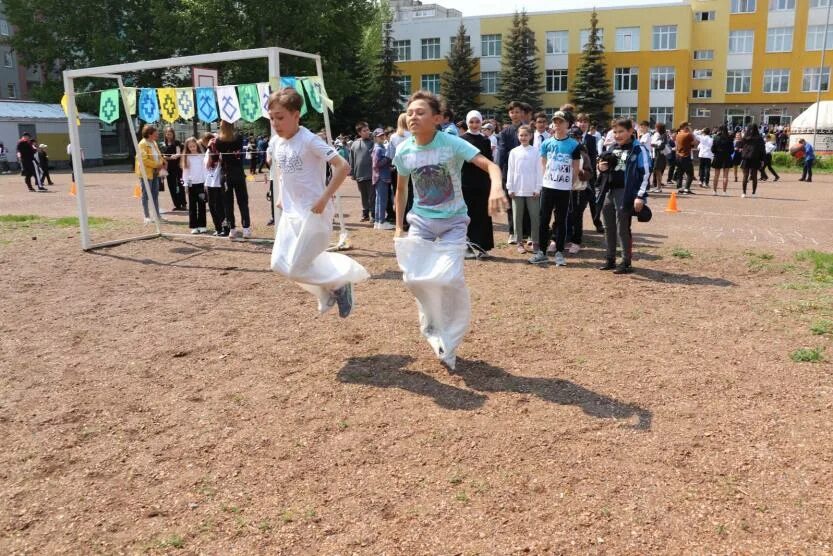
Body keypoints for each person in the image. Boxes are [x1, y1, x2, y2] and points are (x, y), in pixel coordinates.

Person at [392, 90, 507, 368]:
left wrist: (496, 186)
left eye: (420, 112)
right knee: (414, 279)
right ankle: (432, 327)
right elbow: (400, 190)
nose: (413, 117)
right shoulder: (404, 150)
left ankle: (450, 342)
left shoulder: (452, 143)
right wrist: (398, 228)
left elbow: (490, 166)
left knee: (448, 279)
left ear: (437, 119)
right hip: (420, 222)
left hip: (454, 222)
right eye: (410, 112)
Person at [267, 87, 368, 317]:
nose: (275, 123)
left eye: (280, 117)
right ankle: (329, 290)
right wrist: (283, 196)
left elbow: (343, 167)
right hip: (291, 213)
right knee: (279, 264)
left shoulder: (310, 140)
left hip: (314, 213)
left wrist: (324, 198)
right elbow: (283, 171)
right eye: (272, 118)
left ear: (296, 115)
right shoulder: (276, 143)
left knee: (297, 267)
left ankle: (339, 284)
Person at [595, 118, 650, 274]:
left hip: (625, 193)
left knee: (623, 228)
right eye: (615, 132)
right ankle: (610, 259)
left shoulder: (639, 149)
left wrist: (640, 196)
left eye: (621, 131)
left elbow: (645, 173)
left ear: (631, 131)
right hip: (609, 192)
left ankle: (626, 262)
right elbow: (604, 168)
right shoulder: (612, 148)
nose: (618, 135)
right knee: (608, 227)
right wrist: (601, 167)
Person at [528, 110, 581, 267]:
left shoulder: (574, 145)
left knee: (561, 220)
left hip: (564, 189)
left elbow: (576, 168)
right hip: (548, 187)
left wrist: (570, 184)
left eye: (561, 122)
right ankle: (542, 252)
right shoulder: (546, 143)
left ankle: (559, 252)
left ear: (568, 124)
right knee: (544, 219)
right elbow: (543, 164)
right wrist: (545, 181)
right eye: (555, 122)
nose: (558, 124)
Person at [460, 110, 495, 259]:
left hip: (482, 182)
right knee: (467, 215)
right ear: (467, 122)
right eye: (471, 122)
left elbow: (489, 161)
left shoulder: (485, 140)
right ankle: (466, 247)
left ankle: (482, 247)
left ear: (481, 123)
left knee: (482, 214)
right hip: (466, 182)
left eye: (477, 122)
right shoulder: (461, 139)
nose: (474, 125)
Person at [506, 125, 541, 254]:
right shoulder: (514, 152)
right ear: (518, 136)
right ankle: (519, 242)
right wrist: (510, 187)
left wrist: (538, 188)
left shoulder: (536, 151)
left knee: (535, 216)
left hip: (532, 190)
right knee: (517, 217)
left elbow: (539, 171)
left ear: (531, 136)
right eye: (521, 135)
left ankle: (535, 241)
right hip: (517, 189)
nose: (523, 137)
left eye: (526, 135)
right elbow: (511, 170)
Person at [497, 101, 527, 243]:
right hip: (509, 172)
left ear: (522, 113)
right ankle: (512, 232)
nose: (515, 114)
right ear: (509, 114)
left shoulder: (528, 129)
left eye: (517, 111)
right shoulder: (505, 132)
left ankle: (526, 232)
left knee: (526, 201)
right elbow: (502, 152)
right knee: (510, 203)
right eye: (512, 112)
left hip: (526, 172)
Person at [215, 121, 251, 238]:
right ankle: (246, 229)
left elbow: (218, 152)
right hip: (238, 173)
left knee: (227, 204)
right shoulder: (238, 138)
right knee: (243, 201)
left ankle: (232, 229)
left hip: (225, 174)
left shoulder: (218, 141)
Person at [135, 124, 165, 223]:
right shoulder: (142, 144)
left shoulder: (154, 143)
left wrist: (162, 162)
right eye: (155, 134)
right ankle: (146, 216)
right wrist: (157, 165)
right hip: (146, 173)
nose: (157, 135)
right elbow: (143, 160)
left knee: (155, 194)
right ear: (149, 134)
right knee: (145, 195)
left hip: (155, 173)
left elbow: (159, 155)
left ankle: (157, 215)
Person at [181, 137, 208, 234]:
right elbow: (185, 172)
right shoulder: (186, 157)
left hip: (201, 184)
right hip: (191, 185)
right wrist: (185, 185)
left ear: (197, 145)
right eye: (190, 146)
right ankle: (194, 226)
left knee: (201, 205)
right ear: (187, 147)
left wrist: (206, 182)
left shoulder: (202, 156)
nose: (192, 148)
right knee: (192, 206)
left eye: (194, 146)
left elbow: (205, 170)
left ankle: (202, 225)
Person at [349, 121, 375, 222]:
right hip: (359, 174)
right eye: (364, 131)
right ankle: (365, 214)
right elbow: (352, 159)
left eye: (368, 129)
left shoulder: (373, 143)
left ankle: (373, 214)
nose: (367, 132)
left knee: (372, 195)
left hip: (371, 174)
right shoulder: (354, 144)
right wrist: (352, 172)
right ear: (359, 133)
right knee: (363, 195)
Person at [203, 133, 227, 236]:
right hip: (209, 182)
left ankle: (225, 228)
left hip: (219, 182)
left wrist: (219, 152)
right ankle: (217, 228)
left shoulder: (223, 151)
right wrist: (210, 151)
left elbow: (223, 163)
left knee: (221, 206)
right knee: (212, 206)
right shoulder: (208, 151)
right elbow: (207, 166)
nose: (214, 142)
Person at [371, 128, 394, 230]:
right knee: (382, 200)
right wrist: (388, 158)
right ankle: (381, 221)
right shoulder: (379, 148)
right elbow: (376, 164)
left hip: (381, 176)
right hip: (381, 177)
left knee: (379, 200)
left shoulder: (379, 147)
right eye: (380, 136)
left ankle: (378, 221)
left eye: (383, 135)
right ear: (375, 137)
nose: (382, 137)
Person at [162, 127, 186, 211]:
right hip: (169, 168)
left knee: (180, 184)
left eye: (170, 134)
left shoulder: (177, 143)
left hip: (177, 168)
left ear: (173, 134)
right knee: (171, 186)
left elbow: (179, 153)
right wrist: (166, 158)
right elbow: (162, 155)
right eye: (167, 134)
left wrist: (174, 156)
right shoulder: (163, 144)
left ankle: (183, 203)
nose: (168, 135)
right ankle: (176, 204)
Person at [739, 123, 765, 198]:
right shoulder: (759, 138)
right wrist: (762, 159)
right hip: (755, 158)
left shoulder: (745, 137)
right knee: (754, 176)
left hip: (746, 158)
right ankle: (753, 193)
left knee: (745, 176)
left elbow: (740, 146)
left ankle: (744, 193)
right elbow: (762, 149)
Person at [710, 125, 734, 195]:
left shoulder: (716, 138)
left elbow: (712, 149)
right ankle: (724, 191)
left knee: (716, 175)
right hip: (727, 157)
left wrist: (716, 152)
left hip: (717, 156)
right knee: (725, 175)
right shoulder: (729, 138)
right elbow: (732, 150)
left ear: (719, 130)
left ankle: (714, 191)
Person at [674, 122, 695, 194]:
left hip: (678, 155)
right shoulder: (688, 134)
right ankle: (686, 188)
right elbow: (694, 143)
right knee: (690, 174)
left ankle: (680, 188)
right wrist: (691, 132)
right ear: (685, 127)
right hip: (685, 156)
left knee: (680, 173)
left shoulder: (678, 134)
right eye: (688, 126)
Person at [650, 123, 669, 193]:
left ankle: (659, 187)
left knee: (658, 171)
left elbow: (662, 146)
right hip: (658, 155)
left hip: (660, 155)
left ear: (659, 128)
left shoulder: (663, 135)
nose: (655, 128)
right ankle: (658, 187)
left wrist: (654, 145)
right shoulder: (662, 135)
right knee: (657, 171)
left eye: (656, 127)